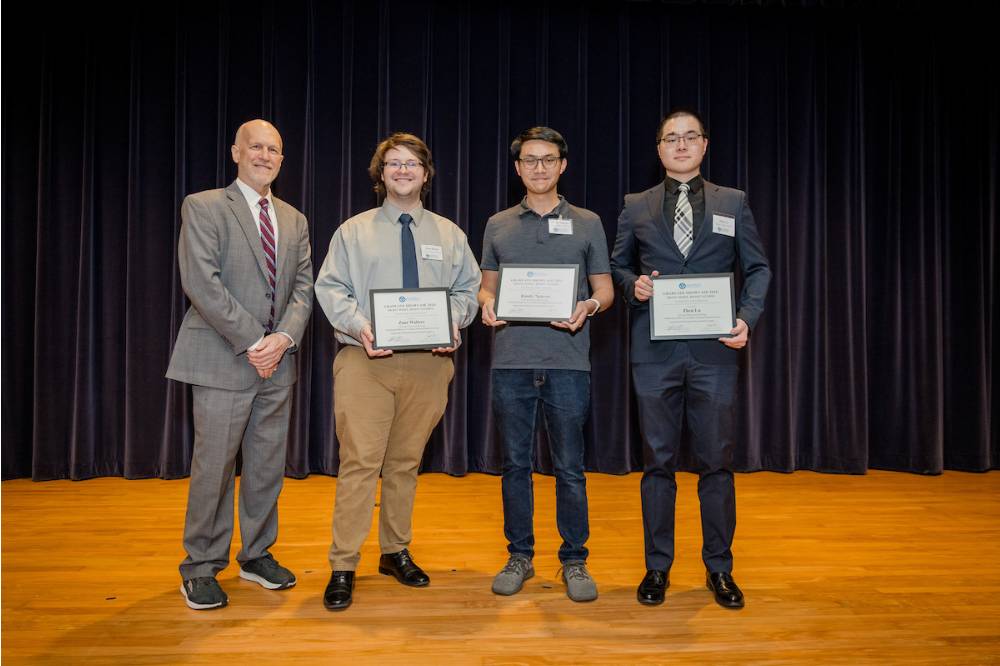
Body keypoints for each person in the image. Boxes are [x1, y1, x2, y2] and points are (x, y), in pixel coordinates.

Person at [610, 109, 771, 609]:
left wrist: (746, 317)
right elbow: (616, 266)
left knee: (716, 464)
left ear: (705, 145)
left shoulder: (733, 202)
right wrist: (632, 286)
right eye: (670, 138)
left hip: (714, 354)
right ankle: (657, 568)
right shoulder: (635, 205)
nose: (680, 145)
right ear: (658, 150)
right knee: (656, 464)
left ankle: (719, 570)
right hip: (654, 354)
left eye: (689, 137)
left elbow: (758, 268)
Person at [314, 132, 481, 611]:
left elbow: (468, 291)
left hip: (430, 365)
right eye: (393, 164)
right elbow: (332, 291)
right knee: (360, 464)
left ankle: (394, 551)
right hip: (366, 362)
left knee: (406, 464)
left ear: (426, 174)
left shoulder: (450, 235)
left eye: (412, 164)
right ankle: (343, 563)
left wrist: (453, 320)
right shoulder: (353, 231)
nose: (403, 171)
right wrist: (361, 326)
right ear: (380, 174)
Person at [167, 119, 314, 610]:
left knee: (267, 467)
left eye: (274, 149)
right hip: (223, 358)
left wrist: (284, 339)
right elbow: (202, 283)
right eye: (256, 146)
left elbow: (303, 288)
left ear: (281, 159)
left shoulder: (294, 219)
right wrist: (256, 341)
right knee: (214, 466)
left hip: (278, 363)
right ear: (236, 151)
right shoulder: (205, 205)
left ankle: (256, 555)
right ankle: (201, 567)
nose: (265, 155)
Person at [478, 127, 613, 602]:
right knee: (515, 464)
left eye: (548, 159)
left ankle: (575, 560)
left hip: (568, 362)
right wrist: (486, 303)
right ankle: (520, 554)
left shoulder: (589, 222)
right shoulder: (497, 224)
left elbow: (605, 290)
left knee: (570, 467)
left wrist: (588, 308)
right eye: (530, 160)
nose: (539, 167)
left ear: (563, 166)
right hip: (512, 360)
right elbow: (486, 285)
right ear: (517, 168)